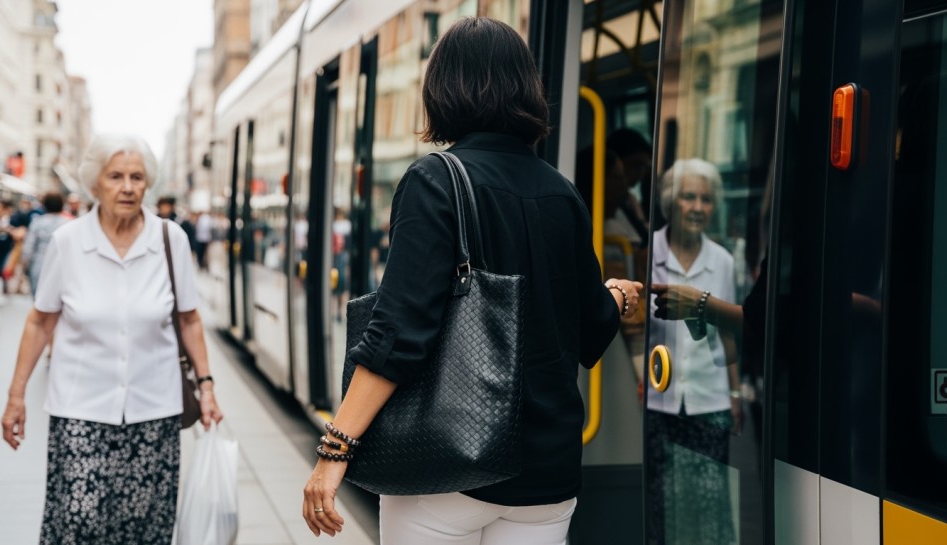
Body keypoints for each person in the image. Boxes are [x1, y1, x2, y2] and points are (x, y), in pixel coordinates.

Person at [302, 18, 643, 544]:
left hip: (448, 469)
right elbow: (591, 326)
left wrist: (335, 449)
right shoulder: (563, 192)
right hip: (547, 480)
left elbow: (399, 332)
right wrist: (617, 294)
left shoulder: (433, 180)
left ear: (442, 89)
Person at [0, 134, 224, 544]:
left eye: (136, 177)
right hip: (79, 411)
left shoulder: (170, 239)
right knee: (78, 524)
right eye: (116, 176)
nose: (127, 187)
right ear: (95, 183)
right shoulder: (68, 242)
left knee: (144, 530)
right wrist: (17, 396)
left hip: (154, 413)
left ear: (147, 183)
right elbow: (40, 322)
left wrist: (206, 387)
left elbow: (190, 320)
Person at [645, 158, 740, 545]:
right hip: (659, 401)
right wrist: (640, 378)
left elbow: (728, 333)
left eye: (706, 199)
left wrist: (734, 393)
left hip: (709, 400)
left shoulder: (723, 261)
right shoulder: (648, 252)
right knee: (661, 499)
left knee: (710, 501)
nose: (698, 207)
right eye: (688, 197)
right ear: (671, 201)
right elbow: (635, 329)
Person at [21, 192, 69, 296]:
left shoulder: (37, 222)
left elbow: (29, 246)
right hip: (62, 266)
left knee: (38, 298)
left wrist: (24, 265)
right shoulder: (68, 224)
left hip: (39, 265)